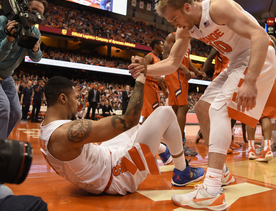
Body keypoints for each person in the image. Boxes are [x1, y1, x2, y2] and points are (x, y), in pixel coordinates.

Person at [129, 0, 276, 210]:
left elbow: (260, 36)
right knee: (202, 108)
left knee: (219, 110)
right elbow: (172, 63)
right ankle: (223, 175)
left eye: (175, 18)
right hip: (236, 61)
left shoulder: (217, 8)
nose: (175, 25)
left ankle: (212, 190)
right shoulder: (185, 29)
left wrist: (250, 81)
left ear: (187, 7)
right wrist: (146, 68)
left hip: (258, 56)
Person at [39, 72, 205, 195]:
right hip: (118, 176)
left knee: (129, 130)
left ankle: (163, 150)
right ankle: (182, 171)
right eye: (75, 97)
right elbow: (130, 119)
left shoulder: (46, 129)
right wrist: (141, 78)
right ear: (63, 99)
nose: (79, 103)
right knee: (166, 112)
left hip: (104, 163)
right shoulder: (67, 133)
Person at [0, 0, 47, 139]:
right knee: (3, 109)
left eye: (40, 13)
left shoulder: (35, 32)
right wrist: (9, 40)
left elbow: (36, 58)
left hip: (6, 76)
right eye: (34, 10)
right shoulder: (3, 22)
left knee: (16, 113)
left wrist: (35, 50)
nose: (36, 15)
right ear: (24, 7)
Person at [163, 32, 203, 156]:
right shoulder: (172, 36)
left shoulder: (188, 42)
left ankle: (170, 143)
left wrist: (197, 71)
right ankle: (180, 144)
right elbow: (167, 57)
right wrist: (183, 68)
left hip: (182, 76)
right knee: (183, 107)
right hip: (175, 73)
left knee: (174, 108)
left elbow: (187, 61)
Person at [142, 39, 168, 123]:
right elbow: (142, 70)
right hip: (149, 85)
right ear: (156, 46)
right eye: (161, 45)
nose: (163, 47)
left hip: (154, 86)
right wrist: (156, 78)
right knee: (153, 111)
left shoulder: (158, 59)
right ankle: (148, 133)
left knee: (150, 112)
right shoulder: (149, 56)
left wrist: (164, 89)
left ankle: (142, 133)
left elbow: (158, 78)